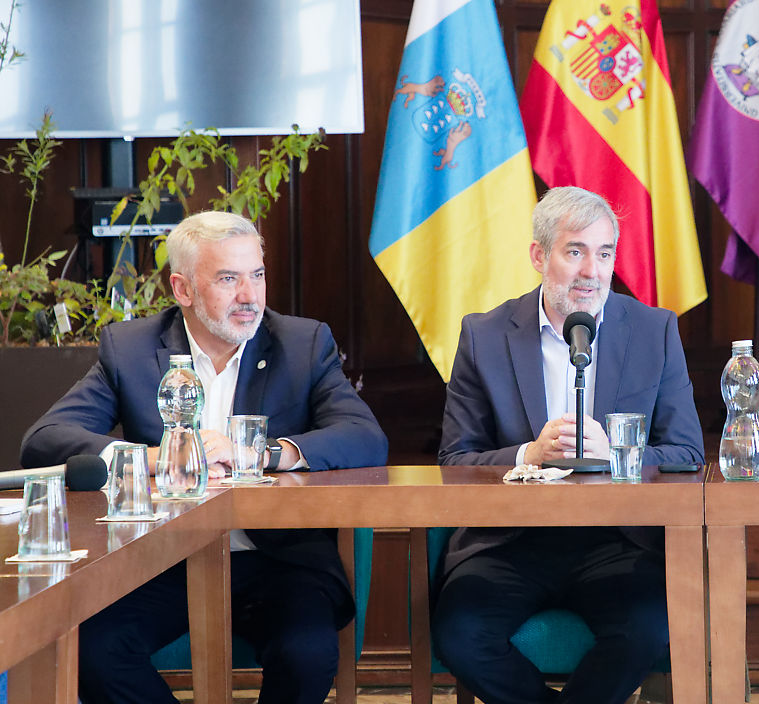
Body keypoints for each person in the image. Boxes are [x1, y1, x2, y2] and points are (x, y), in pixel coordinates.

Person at [21, 210, 388, 704]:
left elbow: (365, 436)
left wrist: (261, 453)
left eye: (257, 275)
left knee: (307, 654)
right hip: (165, 558)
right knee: (93, 650)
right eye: (228, 279)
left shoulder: (302, 344)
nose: (250, 296)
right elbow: (45, 439)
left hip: (277, 560)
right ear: (183, 289)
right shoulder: (131, 349)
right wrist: (154, 458)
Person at [434, 186, 705, 704]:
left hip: (618, 541)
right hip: (509, 541)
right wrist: (528, 456)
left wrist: (618, 455)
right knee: (461, 634)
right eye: (575, 252)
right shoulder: (485, 336)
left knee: (646, 629)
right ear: (539, 256)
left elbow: (688, 454)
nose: (591, 272)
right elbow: (455, 460)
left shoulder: (653, 331)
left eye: (604, 254)